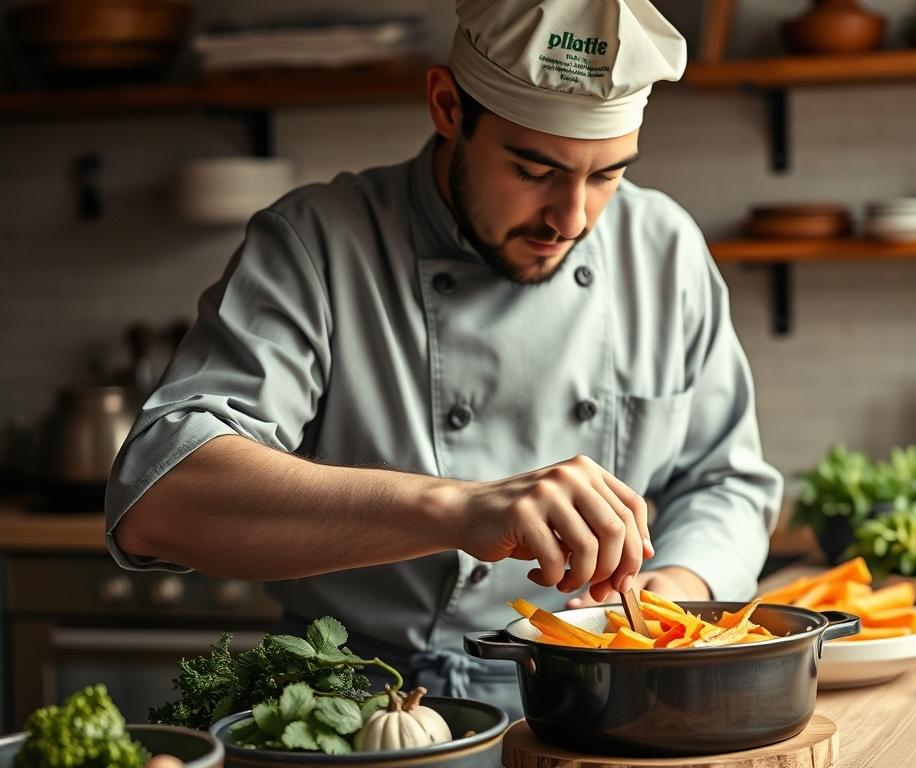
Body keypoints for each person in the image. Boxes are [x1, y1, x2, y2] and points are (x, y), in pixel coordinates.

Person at [105, 0, 782, 716]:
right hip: (359, 704)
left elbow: (726, 481)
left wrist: (673, 590)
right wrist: (456, 508)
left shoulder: (664, 250)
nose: (572, 220)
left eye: (607, 175)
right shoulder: (317, 246)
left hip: (607, 688)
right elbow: (160, 495)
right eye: (533, 169)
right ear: (447, 106)